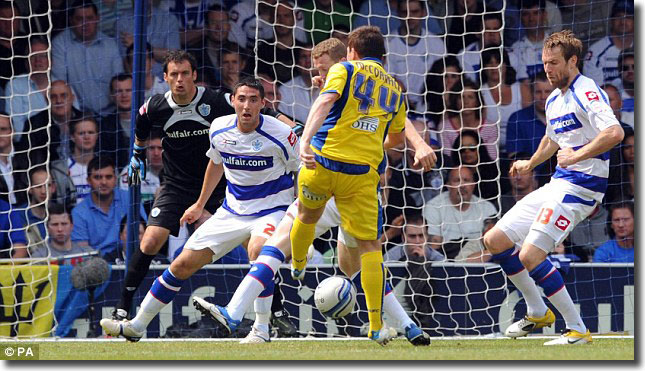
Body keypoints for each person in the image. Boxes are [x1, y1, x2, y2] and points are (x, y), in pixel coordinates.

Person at [191, 36, 435, 346]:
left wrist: (418, 142)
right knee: (354, 260)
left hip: (332, 179)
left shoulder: (345, 76)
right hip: (358, 185)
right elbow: (395, 121)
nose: (315, 73)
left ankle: (241, 315)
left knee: (290, 246)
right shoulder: (369, 90)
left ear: (345, 58)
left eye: (321, 67)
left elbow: (401, 125)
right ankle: (406, 325)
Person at [100, 77, 300, 343]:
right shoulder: (219, 127)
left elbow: (301, 170)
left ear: (263, 104)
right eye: (241, 99)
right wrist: (199, 204)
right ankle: (137, 325)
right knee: (181, 264)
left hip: (271, 210)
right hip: (231, 211)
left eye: (253, 100)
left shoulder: (281, 134)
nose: (246, 105)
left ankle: (261, 329)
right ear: (234, 102)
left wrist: (300, 213)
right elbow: (215, 163)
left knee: (257, 251)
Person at [483, 30, 624, 345]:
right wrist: (531, 164)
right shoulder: (553, 97)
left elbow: (614, 133)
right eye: (545, 62)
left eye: (555, 63)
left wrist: (577, 154)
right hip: (558, 182)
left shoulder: (587, 91)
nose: (548, 69)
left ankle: (577, 329)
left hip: (582, 188)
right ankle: (536, 310)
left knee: (531, 255)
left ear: (573, 61)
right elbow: (551, 138)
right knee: (495, 240)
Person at [289, 26, 410, 345]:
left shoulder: (344, 68)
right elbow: (396, 140)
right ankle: (375, 326)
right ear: (382, 54)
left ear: (352, 51)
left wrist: (305, 141)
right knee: (370, 247)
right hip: (361, 174)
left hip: (324, 162)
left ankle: (299, 265)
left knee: (306, 215)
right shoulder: (396, 90)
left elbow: (326, 101)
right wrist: (366, 137)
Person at [51, 0, 124, 114]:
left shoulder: (110, 44)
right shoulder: (60, 44)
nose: (85, 23)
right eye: (80, 19)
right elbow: (60, 84)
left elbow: (119, 81)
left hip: (111, 112)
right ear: (71, 20)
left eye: (90, 18)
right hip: (77, 115)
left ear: (97, 18)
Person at [71, 156, 147, 257]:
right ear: (88, 180)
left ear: (115, 179)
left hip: (130, 258)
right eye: (98, 177)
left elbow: (144, 234)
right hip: (99, 265)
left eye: (108, 177)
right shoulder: (79, 212)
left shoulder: (130, 199)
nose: (104, 182)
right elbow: (82, 251)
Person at [423, 166, 497, 259]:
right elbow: (434, 247)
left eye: (466, 180)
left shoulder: (487, 208)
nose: (462, 185)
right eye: (457, 180)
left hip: (479, 261)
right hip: (445, 261)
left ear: (474, 184)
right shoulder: (434, 207)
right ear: (448, 185)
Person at [385, 0, 445, 114]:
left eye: (414, 12)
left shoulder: (436, 43)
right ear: (398, 13)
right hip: (396, 106)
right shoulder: (388, 43)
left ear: (423, 12)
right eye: (405, 12)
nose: (409, 17)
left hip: (431, 106)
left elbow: (444, 76)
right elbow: (386, 77)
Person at [16, 80, 83, 166]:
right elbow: (25, 160)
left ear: (72, 98)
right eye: (53, 97)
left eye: (64, 96)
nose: (59, 101)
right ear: (47, 100)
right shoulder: (34, 125)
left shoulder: (85, 120)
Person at [505, 72, 556, 184]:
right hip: (528, 182)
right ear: (532, 93)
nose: (543, 97)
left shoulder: (565, 117)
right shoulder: (517, 119)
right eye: (538, 92)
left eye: (547, 92)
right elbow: (515, 159)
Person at [479, 48, 532, 151]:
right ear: (483, 67)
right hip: (489, 149)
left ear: (506, 65)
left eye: (498, 62)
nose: (494, 67)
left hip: (521, 148)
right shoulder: (480, 92)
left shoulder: (521, 89)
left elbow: (528, 121)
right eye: (490, 63)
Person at [439, 79, 498, 161]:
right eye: (461, 97)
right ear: (456, 101)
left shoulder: (490, 127)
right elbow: (448, 159)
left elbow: (492, 159)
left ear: (477, 102)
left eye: (470, 97)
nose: (466, 101)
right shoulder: (445, 127)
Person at [4, 37, 49, 141]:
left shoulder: (61, 84)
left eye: (43, 56)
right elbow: (17, 130)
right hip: (29, 146)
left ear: (51, 60)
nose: (38, 61)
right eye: (33, 56)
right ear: (26, 62)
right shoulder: (15, 86)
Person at [583, 1, 633, 88]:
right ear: (611, 21)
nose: (623, 22)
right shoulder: (596, 51)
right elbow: (594, 91)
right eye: (618, 17)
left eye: (628, 17)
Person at [450, 130, 504, 202]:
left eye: (472, 147)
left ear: (480, 148)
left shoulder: (496, 171)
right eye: (462, 149)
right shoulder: (453, 173)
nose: (467, 151)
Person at [30, 203, 95, 261]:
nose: (60, 229)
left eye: (64, 224)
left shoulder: (88, 254)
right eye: (55, 224)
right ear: (47, 228)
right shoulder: (40, 257)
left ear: (71, 226)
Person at [99, 73, 135, 170]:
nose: (124, 95)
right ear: (112, 95)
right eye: (119, 91)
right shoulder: (104, 126)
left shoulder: (150, 121)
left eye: (128, 90)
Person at [279, 45, 317, 124]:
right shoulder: (285, 90)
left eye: (312, 56)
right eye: (303, 57)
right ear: (297, 63)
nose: (308, 60)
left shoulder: (331, 85)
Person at [68, 116, 99, 203]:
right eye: (81, 133)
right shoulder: (61, 168)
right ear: (72, 137)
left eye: (91, 132)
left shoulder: (106, 167)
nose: (87, 137)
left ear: (97, 136)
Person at [617, 47, 634, 128]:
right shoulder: (612, 93)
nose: (630, 71)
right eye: (625, 68)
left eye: (634, 67)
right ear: (619, 70)